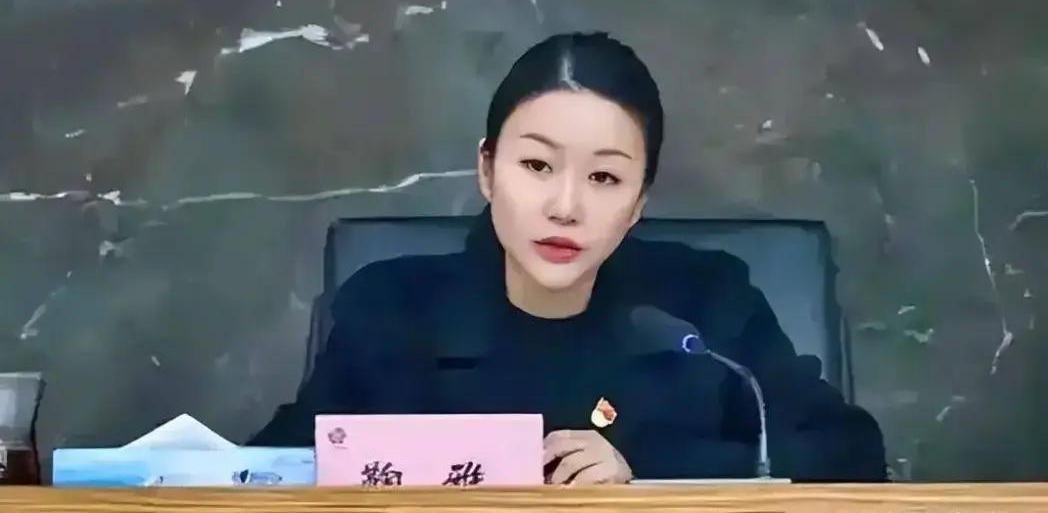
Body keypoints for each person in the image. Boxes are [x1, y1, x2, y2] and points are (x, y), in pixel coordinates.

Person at [250, 32, 886, 483]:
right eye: (536, 165)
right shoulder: (392, 308)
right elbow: (279, 470)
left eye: (605, 178)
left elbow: (848, 452)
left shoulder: (706, 305)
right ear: (487, 169)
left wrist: (647, 469)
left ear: (638, 202)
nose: (565, 206)